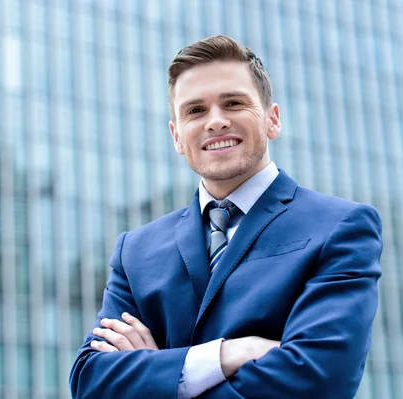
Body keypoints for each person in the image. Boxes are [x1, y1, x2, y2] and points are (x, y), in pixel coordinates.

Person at [69, 35, 383, 399]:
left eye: (233, 103)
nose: (215, 122)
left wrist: (160, 374)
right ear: (177, 137)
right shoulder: (135, 251)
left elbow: (317, 378)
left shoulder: (340, 227)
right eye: (195, 111)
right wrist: (228, 354)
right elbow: (92, 381)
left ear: (272, 120)